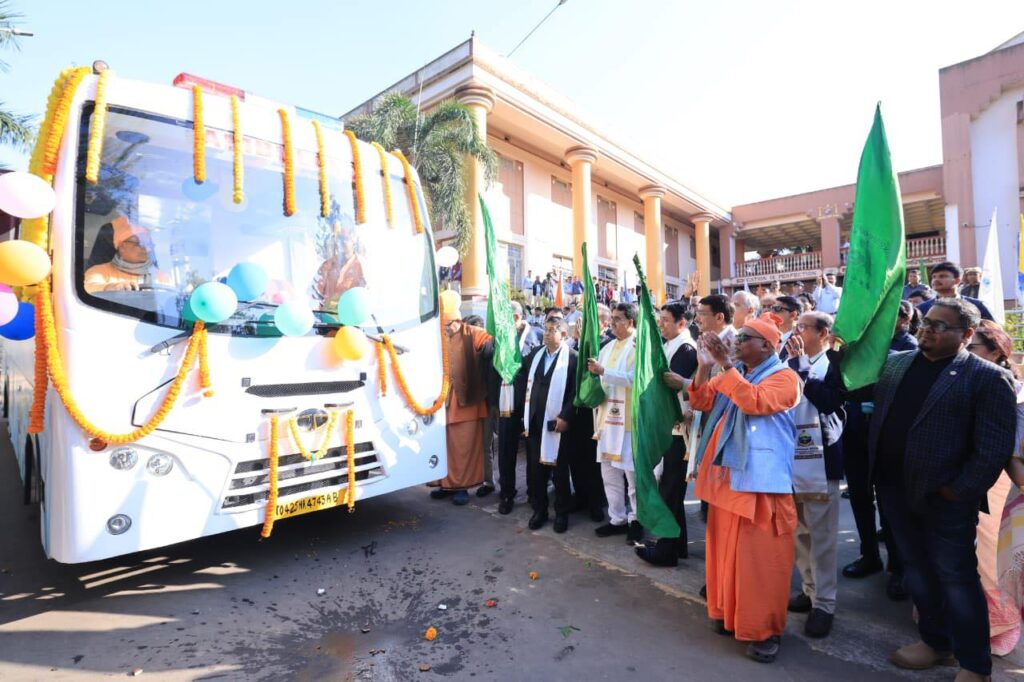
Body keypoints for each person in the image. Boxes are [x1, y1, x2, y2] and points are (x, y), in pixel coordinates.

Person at [870, 299, 1016, 679]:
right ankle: (936, 643)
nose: (926, 330)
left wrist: (959, 490)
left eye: (939, 326)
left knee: (957, 579)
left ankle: (975, 665)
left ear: (966, 334)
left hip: (946, 500)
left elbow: (993, 448)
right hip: (894, 489)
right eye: (926, 323)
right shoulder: (897, 364)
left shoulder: (986, 377)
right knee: (917, 571)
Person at [688, 313, 801, 663]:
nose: (736, 343)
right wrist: (705, 366)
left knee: (761, 562)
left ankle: (765, 630)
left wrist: (725, 365)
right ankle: (726, 613)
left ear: (767, 345)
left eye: (743, 338)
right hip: (728, 479)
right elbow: (701, 401)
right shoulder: (738, 371)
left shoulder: (786, 378)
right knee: (725, 553)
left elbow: (754, 402)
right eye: (736, 338)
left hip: (762, 486)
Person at [783, 311, 845, 638]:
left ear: (823, 333)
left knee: (822, 538)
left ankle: (825, 604)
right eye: (797, 327)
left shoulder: (835, 363)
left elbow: (829, 402)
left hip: (821, 461)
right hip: (790, 460)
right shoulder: (788, 361)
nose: (797, 332)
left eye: (804, 327)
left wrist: (802, 370)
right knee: (800, 534)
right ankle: (809, 591)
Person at [967, 324, 1023, 657]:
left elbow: (1011, 447)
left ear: (995, 352)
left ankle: (1002, 622)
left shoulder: (1013, 389)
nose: (965, 352)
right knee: (963, 553)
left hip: (997, 479)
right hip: (963, 476)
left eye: (972, 347)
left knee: (989, 552)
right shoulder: (961, 377)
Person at [636, 302, 698, 566]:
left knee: (671, 489)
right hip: (671, 427)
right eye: (659, 319)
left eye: (665, 320)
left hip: (679, 429)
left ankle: (666, 551)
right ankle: (676, 545)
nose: (660, 324)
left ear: (681, 323)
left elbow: (670, 385)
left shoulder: (686, 349)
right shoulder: (672, 344)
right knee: (670, 488)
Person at [587, 303, 643, 543]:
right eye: (611, 318)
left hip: (628, 422)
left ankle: (637, 520)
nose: (612, 323)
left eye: (617, 319)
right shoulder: (607, 347)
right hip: (606, 419)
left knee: (632, 476)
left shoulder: (640, 345)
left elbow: (636, 379)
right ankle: (617, 518)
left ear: (631, 322)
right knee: (609, 473)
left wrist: (603, 372)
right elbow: (600, 381)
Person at [430, 299, 493, 506]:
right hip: (442, 403)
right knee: (444, 445)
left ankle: (462, 487)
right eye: (443, 325)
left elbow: (490, 343)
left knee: (463, 448)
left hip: (467, 403)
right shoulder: (438, 336)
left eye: (448, 325)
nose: (446, 329)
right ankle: (445, 484)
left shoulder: (472, 333)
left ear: (457, 320)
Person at [522, 318, 578, 532]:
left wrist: (566, 417)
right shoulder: (536, 354)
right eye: (545, 329)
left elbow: (576, 393)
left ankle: (561, 513)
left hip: (558, 422)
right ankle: (540, 510)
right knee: (537, 470)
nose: (546, 333)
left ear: (563, 334)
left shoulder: (572, 358)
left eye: (551, 330)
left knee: (559, 470)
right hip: (535, 420)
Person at [492, 302, 544, 515]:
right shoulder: (501, 337)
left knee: (532, 451)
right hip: (506, 403)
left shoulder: (538, 335)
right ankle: (507, 493)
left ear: (515, 317)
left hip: (531, 403)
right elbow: (492, 370)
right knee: (506, 450)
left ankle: (534, 492)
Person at [84, 218, 169, 294]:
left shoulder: (161, 276)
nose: (147, 249)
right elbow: (88, 288)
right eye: (140, 243)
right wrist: (110, 288)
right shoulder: (98, 271)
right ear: (122, 246)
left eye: (149, 244)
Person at [917, 261, 994, 321]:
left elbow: (994, 331)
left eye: (942, 276)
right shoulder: (921, 309)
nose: (936, 280)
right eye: (934, 277)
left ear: (957, 280)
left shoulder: (977, 305)